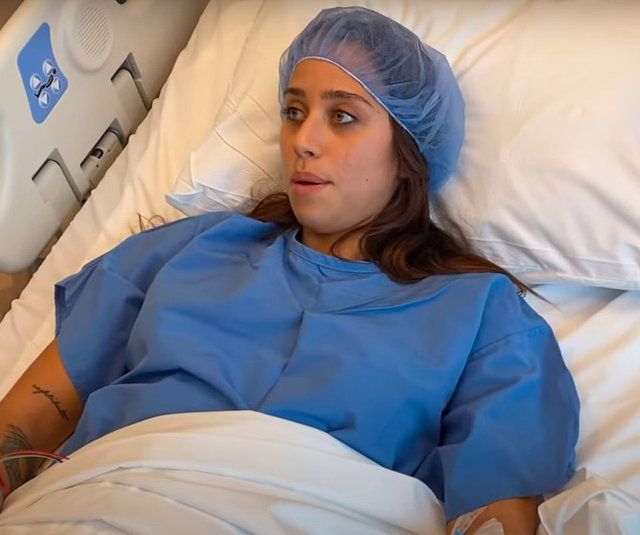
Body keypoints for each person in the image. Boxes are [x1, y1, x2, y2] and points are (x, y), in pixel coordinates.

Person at [0, 6, 578, 534]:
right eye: (293, 112)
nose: (303, 140)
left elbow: (495, 512)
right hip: (101, 502)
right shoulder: (186, 249)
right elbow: (30, 421)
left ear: (409, 151)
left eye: (343, 116)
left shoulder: (480, 312)